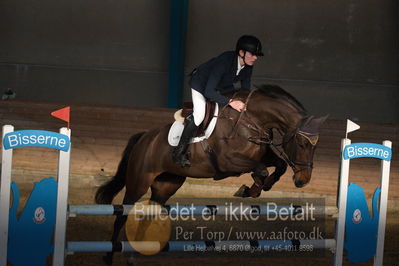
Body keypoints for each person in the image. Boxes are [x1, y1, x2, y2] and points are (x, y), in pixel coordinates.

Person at [172, 35, 264, 168]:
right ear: (241, 53)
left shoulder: (248, 65)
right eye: (253, 54)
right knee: (200, 116)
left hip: (222, 85)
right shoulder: (224, 61)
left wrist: (246, 103)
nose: (255, 57)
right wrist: (231, 102)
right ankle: (178, 153)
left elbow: (245, 90)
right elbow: (209, 92)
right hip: (201, 85)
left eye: (257, 55)